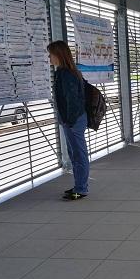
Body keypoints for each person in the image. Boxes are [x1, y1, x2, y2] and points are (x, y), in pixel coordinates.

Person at [48, 40, 89, 200]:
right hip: (74, 119)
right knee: (75, 154)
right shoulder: (69, 71)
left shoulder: (65, 74)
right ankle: (79, 186)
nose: (49, 58)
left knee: (78, 155)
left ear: (59, 55)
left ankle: (81, 188)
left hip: (73, 120)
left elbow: (72, 100)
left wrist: (69, 121)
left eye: (51, 54)